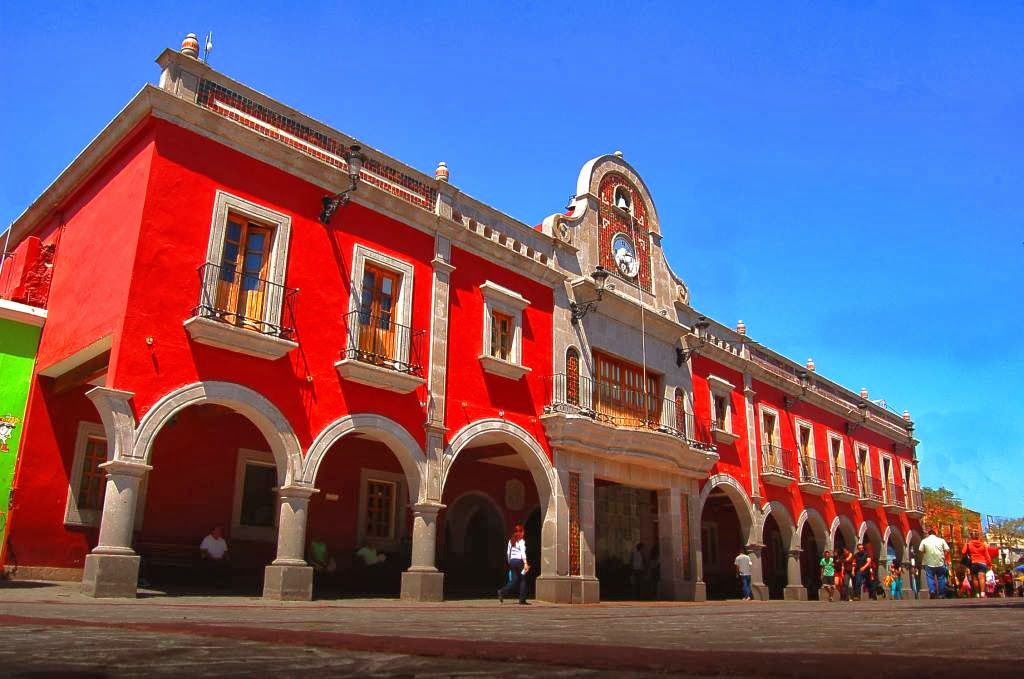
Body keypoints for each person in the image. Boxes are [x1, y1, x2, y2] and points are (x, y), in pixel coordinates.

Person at [498, 523, 530, 605]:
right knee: (523, 579)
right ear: (521, 532)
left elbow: (508, 553)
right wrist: (525, 563)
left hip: (512, 562)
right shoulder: (521, 541)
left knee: (514, 580)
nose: (523, 533)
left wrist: (509, 562)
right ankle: (522, 599)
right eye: (523, 532)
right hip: (520, 562)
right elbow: (523, 553)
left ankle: (502, 591)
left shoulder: (510, 541)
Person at [918, 528, 950, 597]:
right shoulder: (941, 540)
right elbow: (947, 550)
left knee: (930, 577)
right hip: (940, 562)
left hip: (928, 562)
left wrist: (924, 556)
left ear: (928, 534)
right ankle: (942, 593)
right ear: (935, 534)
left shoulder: (924, 541)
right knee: (941, 577)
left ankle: (932, 590)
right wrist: (944, 556)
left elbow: (920, 551)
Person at [962, 531, 993, 598]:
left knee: (975, 578)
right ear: (978, 537)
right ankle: (982, 593)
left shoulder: (969, 544)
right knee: (982, 578)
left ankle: (977, 593)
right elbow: (987, 555)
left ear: (971, 537)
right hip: (982, 563)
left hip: (973, 563)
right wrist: (989, 564)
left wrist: (966, 544)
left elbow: (963, 552)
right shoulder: (983, 544)